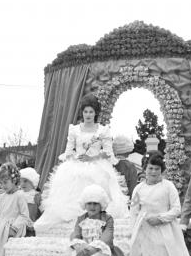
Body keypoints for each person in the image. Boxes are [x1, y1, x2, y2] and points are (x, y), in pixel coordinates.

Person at [36, 94, 129, 230]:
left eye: (91, 111)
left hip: (97, 164)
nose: (88, 114)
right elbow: (68, 151)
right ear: (82, 112)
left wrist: (92, 158)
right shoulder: (74, 129)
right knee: (70, 182)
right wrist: (76, 157)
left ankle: (97, 218)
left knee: (100, 181)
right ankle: (72, 221)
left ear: (96, 113)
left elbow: (108, 152)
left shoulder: (103, 130)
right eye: (85, 111)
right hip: (77, 163)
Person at [60, 185, 126, 256]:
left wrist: (93, 248)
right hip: (84, 252)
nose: (92, 206)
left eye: (95, 203)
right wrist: (77, 244)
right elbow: (76, 233)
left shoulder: (107, 219)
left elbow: (107, 236)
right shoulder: (81, 219)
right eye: (89, 203)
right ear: (85, 205)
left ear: (101, 205)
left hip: (101, 254)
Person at [19, 167, 42, 234]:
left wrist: (36, 225)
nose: (22, 184)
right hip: (18, 229)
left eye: (25, 181)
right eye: (20, 181)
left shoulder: (37, 196)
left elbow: (44, 214)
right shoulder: (17, 195)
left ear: (33, 182)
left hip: (31, 231)